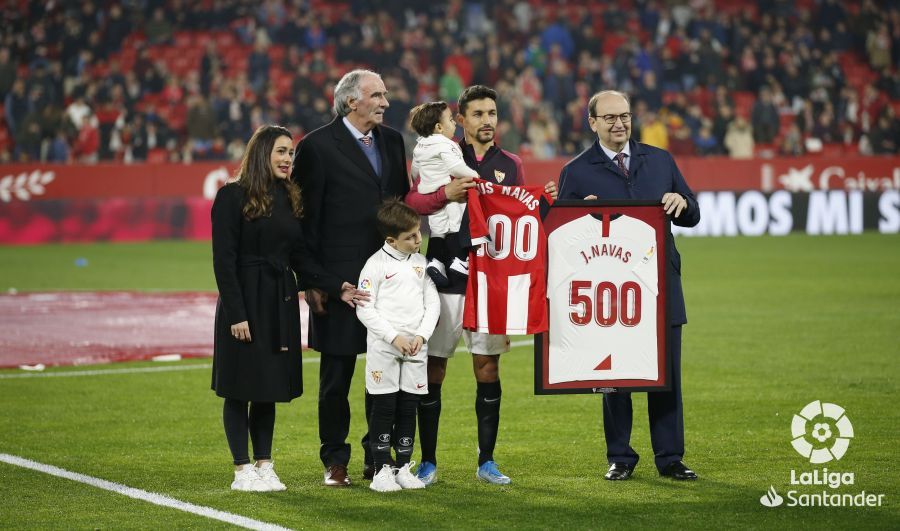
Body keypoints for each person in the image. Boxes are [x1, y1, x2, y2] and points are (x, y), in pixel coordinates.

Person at [405, 85, 557, 485]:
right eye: (478, 114)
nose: (487, 120)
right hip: (447, 279)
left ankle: (486, 461)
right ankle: (429, 461)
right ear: (462, 119)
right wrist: (445, 194)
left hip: (491, 281)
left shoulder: (511, 163)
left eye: (492, 113)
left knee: (487, 368)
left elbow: (522, 214)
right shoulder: (439, 152)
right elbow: (412, 203)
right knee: (434, 366)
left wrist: (543, 200)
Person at [557, 90, 700, 481]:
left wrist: (680, 202)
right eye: (610, 118)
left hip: (660, 287)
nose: (619, 124)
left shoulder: (660, 160)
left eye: (625, 116)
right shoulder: (577, 170)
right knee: (615, 379)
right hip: (610, 296)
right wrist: (578, 215)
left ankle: (670, 458)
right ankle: (620, 457)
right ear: (592, 123)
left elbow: (692, 212)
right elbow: (560, 236)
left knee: (666, 376)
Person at [210, 124, 356, 492]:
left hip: (280, 300)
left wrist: (334, 285)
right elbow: (224, 262)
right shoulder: (230, 196)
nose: (288, 159)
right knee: (239, 386)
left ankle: (265, 463)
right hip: (245, 299)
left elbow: (300, 256)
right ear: (262, 154)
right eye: (281, 151)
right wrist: (236, 313)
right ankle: (242, 469)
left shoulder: (289, 197)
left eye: (290, 153)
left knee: (268, 385)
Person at [291, 69, 410, 487]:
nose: (385, 102)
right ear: (350, 102)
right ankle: (334, 460)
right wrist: (314, 282)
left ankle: (376, 456)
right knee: (336, 378)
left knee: (384, 376)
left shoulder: (394, 141)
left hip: (390, 282)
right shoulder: (317, 147)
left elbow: (399, 210)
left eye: (385, 93)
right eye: (377, 95)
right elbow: (302, 222)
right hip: (339, 284)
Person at [355, 200, 440, 492]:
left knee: (408, 408)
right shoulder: (374, 266)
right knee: (384, 408)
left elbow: (433, 303)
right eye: (411, 237)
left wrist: (421, 336)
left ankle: (403, 467)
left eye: (419, 233)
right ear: (391, 240)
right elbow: (365, 309)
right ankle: (381, 470)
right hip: (385, 349)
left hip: (416, 348)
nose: (419, 240)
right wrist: (395, 338)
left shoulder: (421, 263)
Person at [408, 100, 479, 286]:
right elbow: (457, 168)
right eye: (450, 119)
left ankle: (434, 261)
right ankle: (460, 261)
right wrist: (476, 177)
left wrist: (423, 181)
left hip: (428, 189)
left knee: (438, 230)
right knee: (458, 223)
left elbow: (414, 172)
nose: (454, 122)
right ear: (439, 127)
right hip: (448, 190)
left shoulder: (419, 146)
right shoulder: (447, 144)